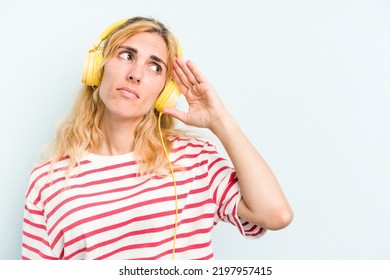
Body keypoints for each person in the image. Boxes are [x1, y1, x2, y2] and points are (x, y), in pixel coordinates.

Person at [21, 16, 293, 260]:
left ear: (164, 92)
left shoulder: (194, 159)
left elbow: (276, 215)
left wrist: (220, 122)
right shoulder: (48, 182)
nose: (135, 74)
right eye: (126, 55)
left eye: (155, 67)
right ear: (97, 67)